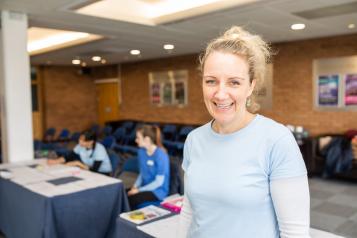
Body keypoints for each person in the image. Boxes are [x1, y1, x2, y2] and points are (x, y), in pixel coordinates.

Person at [178, 26, 310, 238]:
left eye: (234, 82)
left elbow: (294, 233)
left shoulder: (276, 140)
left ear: (250, 86)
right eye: (211, 81)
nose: (221, 94)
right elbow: (189, 211)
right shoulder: (194, 140)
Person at [127, 124, 170, 210]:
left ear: (147, 139)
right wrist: (135, 186)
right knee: (124, 194)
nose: (136, 140)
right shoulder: (141, 152)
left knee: (131, 199)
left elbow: (158, 182)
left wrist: (139, 190)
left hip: (158, 191)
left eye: (138, 138)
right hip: (144, 187)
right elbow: (142, 173)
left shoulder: (161, 155)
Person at [47, 130, 112, 175]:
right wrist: (55, 162)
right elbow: (69, 157)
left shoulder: (99, 149)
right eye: (79, 139)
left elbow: (94, 170)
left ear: (91, 141)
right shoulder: (80, 146)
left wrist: (78, 163)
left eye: (83, 141)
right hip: (88, 170)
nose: (80, 142)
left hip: (102, 173)